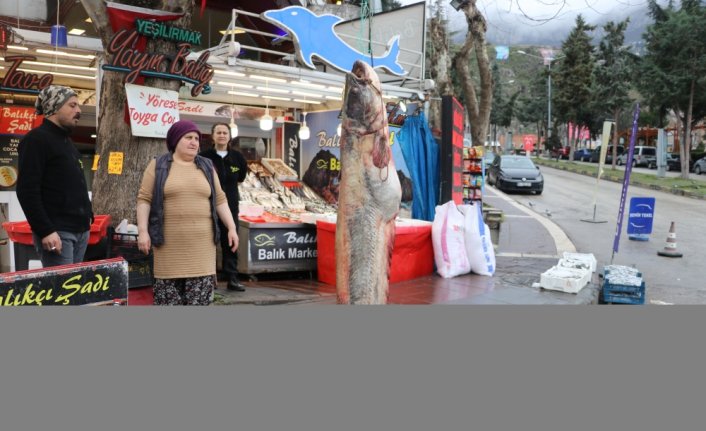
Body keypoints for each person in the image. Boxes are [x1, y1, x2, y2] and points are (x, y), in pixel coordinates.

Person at [136, 120, 238, 305]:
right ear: (176, 140)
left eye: (197, 139)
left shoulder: (206, 166)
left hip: (202, 250)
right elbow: (144, 199)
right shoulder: (158, 165)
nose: (194, 142)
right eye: (188, 137)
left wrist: (231, 228)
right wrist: (143, 231)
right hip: (167, 249)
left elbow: (221, 200)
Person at [16, 85, 93, 268]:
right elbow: (27, 191)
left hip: (80, 231)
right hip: (58, 233)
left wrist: (88, 215)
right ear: (54, 107)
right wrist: (46, 231)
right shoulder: (36, 140)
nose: (79, 111)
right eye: (72, 105)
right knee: (62, 293)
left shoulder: (67, 142)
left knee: (73, 291)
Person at [199, 123, 248, 291]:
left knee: (231, 243)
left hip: (231, 206)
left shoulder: (238, 158)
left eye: (225, 132)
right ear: (212, 136)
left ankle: (232, 278)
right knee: (209, 242)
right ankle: (209, 278)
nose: (222, 135)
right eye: (218, 132)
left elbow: (241, 178)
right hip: (208, 207)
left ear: (229, 136)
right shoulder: (203, 157)